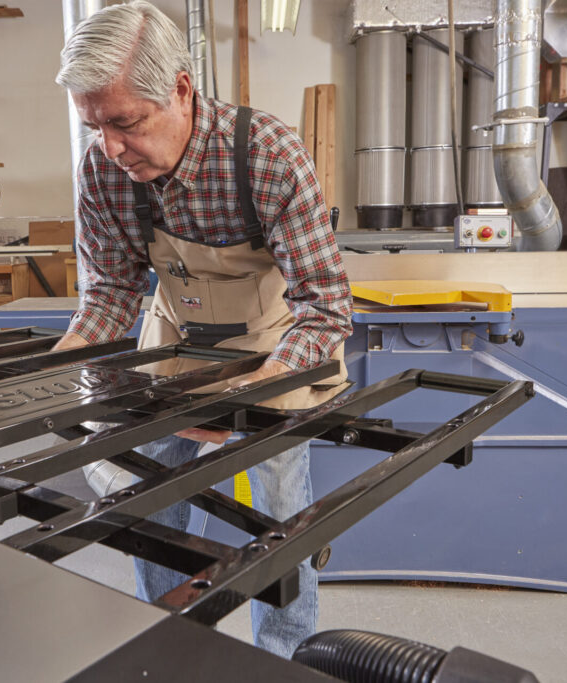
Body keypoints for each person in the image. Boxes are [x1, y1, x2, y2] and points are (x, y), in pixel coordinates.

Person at [52, 0, 351, 659]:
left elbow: (324, 303)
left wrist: (262, 387)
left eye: (125, 122)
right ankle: (171, 650)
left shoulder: (267, 154)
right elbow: (112, 291)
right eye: (94, 126)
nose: (110, 147)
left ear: (181, 90)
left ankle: (283, 657)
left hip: (269, 346)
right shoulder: (104, 168)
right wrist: (66, 364)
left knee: (279, 515)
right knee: (146, 498)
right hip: (176, 338)